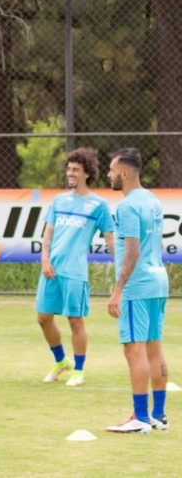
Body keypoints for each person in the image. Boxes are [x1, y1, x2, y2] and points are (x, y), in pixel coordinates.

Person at [36, 147, 114, 387]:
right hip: (51, 269)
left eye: (75, 170)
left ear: (87, 173)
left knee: (75, 320)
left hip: (75, 272)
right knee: (43, 318)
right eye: (69, 169)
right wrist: (45, 259)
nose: (70, 173)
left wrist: (121, 269)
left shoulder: (98, 205)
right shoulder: (59, 201)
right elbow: (47, 234)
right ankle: (61, 362)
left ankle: (78, 370)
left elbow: (110, 239)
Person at [105, 148, 169, 434]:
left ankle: (140, 418)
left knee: (134, 350)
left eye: (111, 170)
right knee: (154, 349)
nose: (108, 175)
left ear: (124, 173)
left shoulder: (127, 206)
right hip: (158, 282)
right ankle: (159, 415)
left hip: (138, 286)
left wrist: (118, 289)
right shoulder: (153, 200)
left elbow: (132, 251)